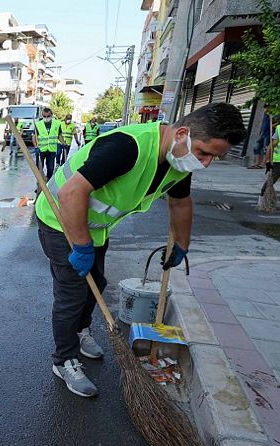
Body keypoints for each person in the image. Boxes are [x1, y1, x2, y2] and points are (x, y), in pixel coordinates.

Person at [35, 103, 245, 397]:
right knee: (72, 292)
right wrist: (81, 246)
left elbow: (181, 203)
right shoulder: (127, 147)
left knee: (97, 283)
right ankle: (64, 359)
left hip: (94, 226)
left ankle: (81, 331)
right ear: (182, 133)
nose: (206, 163)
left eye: (215, 158)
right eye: (204, 152)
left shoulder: (179, 159)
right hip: (60, 217)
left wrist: (182, 244)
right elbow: (71, 193)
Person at [33, 108, 65, 180]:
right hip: (41, 150)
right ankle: (39, 184)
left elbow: (59, 135)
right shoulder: (38, 124)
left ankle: (48, 182)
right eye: (44, 116)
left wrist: (63, 143)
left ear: (51, 115)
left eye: (48, 116)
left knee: (50, 168)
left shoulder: (57, 124)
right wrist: (36, 147)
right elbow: (34, 137)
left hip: (52, 150)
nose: (46, 118)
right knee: (39, 168)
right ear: (42, 116)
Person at [249, 105, 270, 169]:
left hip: (268, 134)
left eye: (267, 107)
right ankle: (256, 163)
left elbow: (278, 123)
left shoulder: (273, 115)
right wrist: (260, 132)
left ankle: (263, 164)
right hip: (262, 134)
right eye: (265, 107)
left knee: (265, 149)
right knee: (256, 147)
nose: (266, 109)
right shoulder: (265, 115)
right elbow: (263, 124)